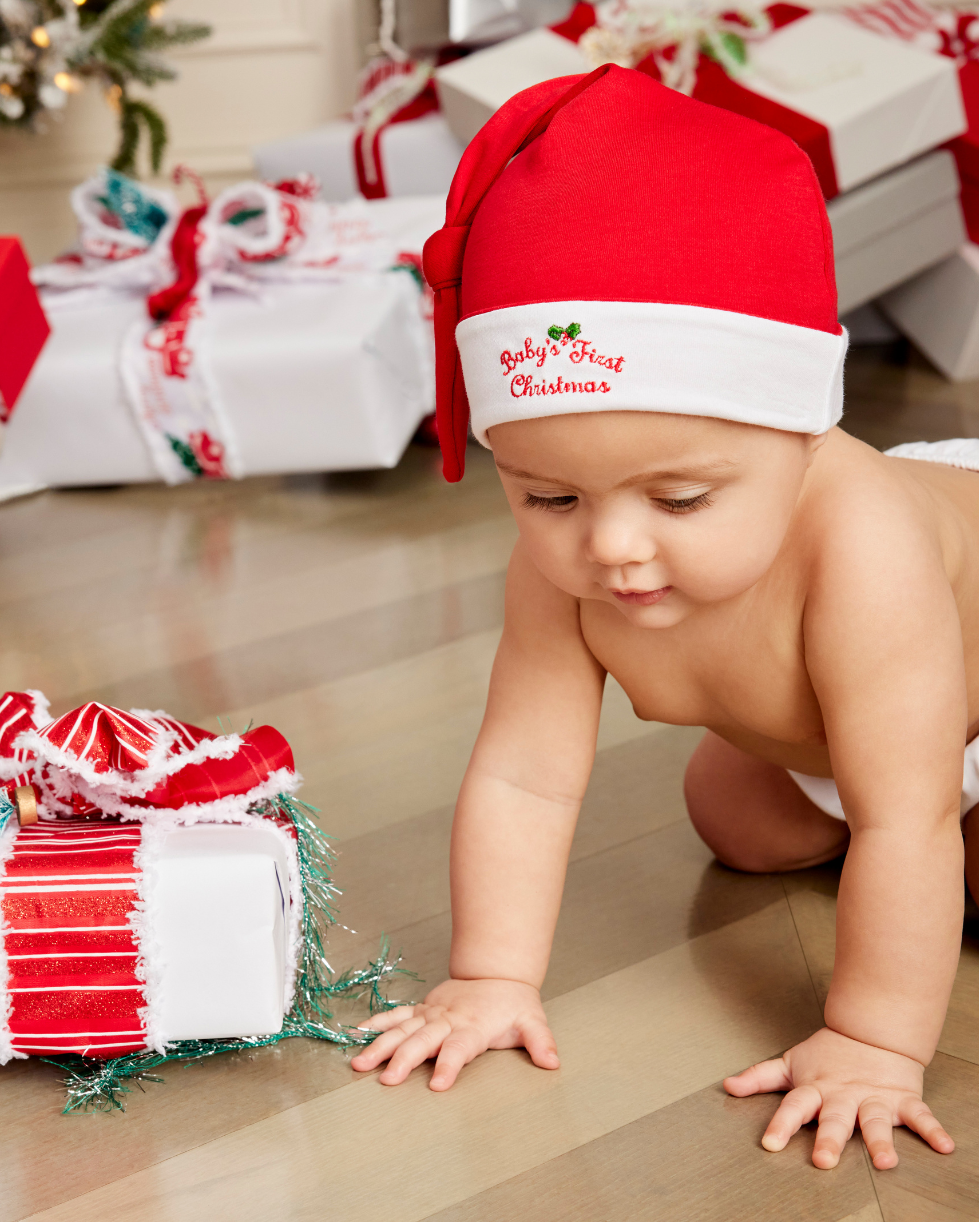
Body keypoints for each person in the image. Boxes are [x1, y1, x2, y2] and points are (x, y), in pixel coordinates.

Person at [351, 64, 971, 1172]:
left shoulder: (864, 546)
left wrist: (873, 1040)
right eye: (548, 496)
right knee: (736, 819)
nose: (613, 547)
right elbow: (524, 775)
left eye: (678, 499)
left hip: (947, 708)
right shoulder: (568, 564)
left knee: (918, 830)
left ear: (800, 431)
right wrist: (493, 975)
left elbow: (903, 814)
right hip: (840, 730)